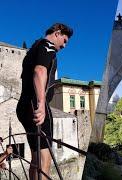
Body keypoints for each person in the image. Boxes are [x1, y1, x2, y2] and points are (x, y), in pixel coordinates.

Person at [16, 23, 73, 180]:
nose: (64, 45)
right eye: (65, 40)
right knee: (45, 158)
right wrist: (41, 104)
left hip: (24, 105)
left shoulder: (34, 47)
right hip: (35, 105)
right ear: (57, 33)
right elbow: (40, 71)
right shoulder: (47, 46)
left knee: (36, 157)